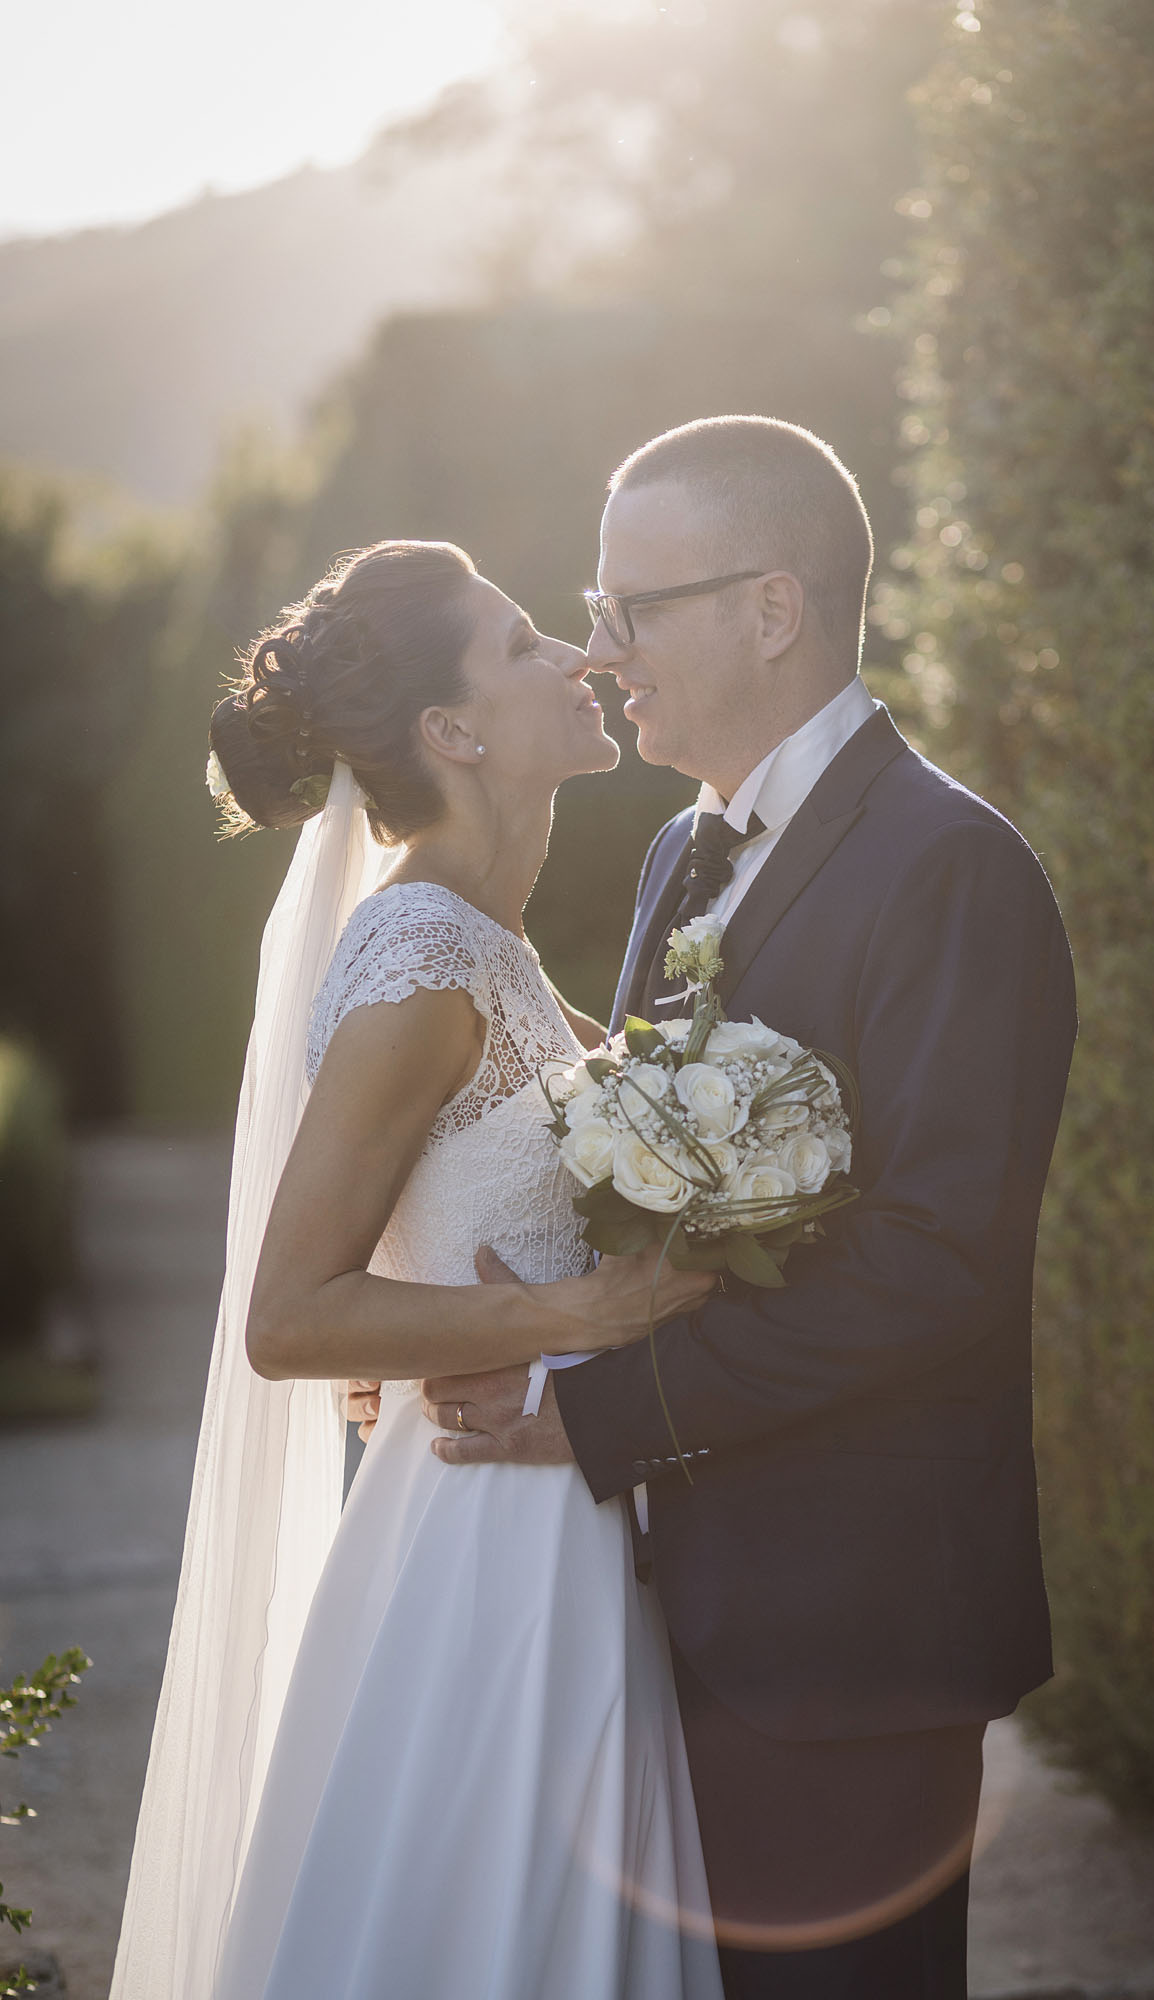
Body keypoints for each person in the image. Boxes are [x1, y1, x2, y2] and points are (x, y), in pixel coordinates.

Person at [371, 417, 1079, 2000]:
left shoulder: (949, 868)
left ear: (771, 609)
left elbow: (932, 1271)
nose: (601, 651)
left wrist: (593, 1410)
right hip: (652, 1616)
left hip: (846, 1626)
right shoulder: (682, 857)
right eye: (592, 608)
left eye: (635, 608)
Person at [110, 539, 724, 2000]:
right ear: (452, 732)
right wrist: (567, 1310)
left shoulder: (491, 947)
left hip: (552, 1495)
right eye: (524, 644)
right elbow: (288, 1315)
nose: (577, 659)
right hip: (487, 1536)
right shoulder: (421, 963)